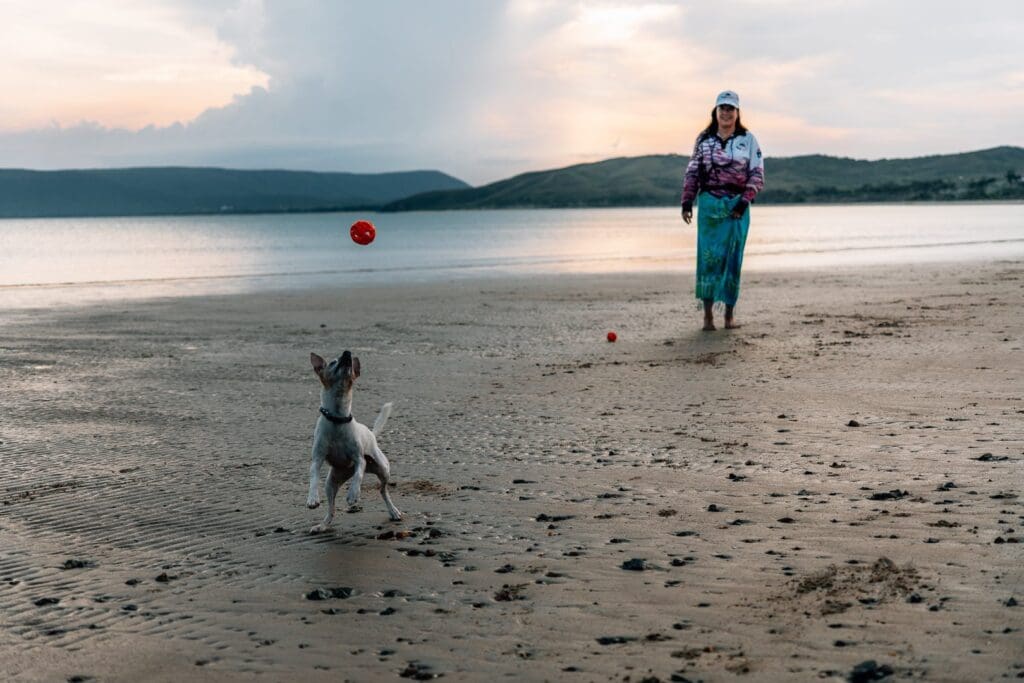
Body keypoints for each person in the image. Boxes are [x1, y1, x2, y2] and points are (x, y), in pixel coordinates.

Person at [680, 90, 764, 330]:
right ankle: (708, 317)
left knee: (732, 260)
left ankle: (728, 317)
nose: (726, 113)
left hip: (737, 207)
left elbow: (757, 174)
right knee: (708, 260)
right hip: (709, 206)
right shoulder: (704, 140)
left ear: (737, 113)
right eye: (722, 108)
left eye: (730, 108)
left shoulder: (748, 139)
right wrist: (687, 201)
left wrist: (744, 201)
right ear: (715, 112)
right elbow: (693, 171)